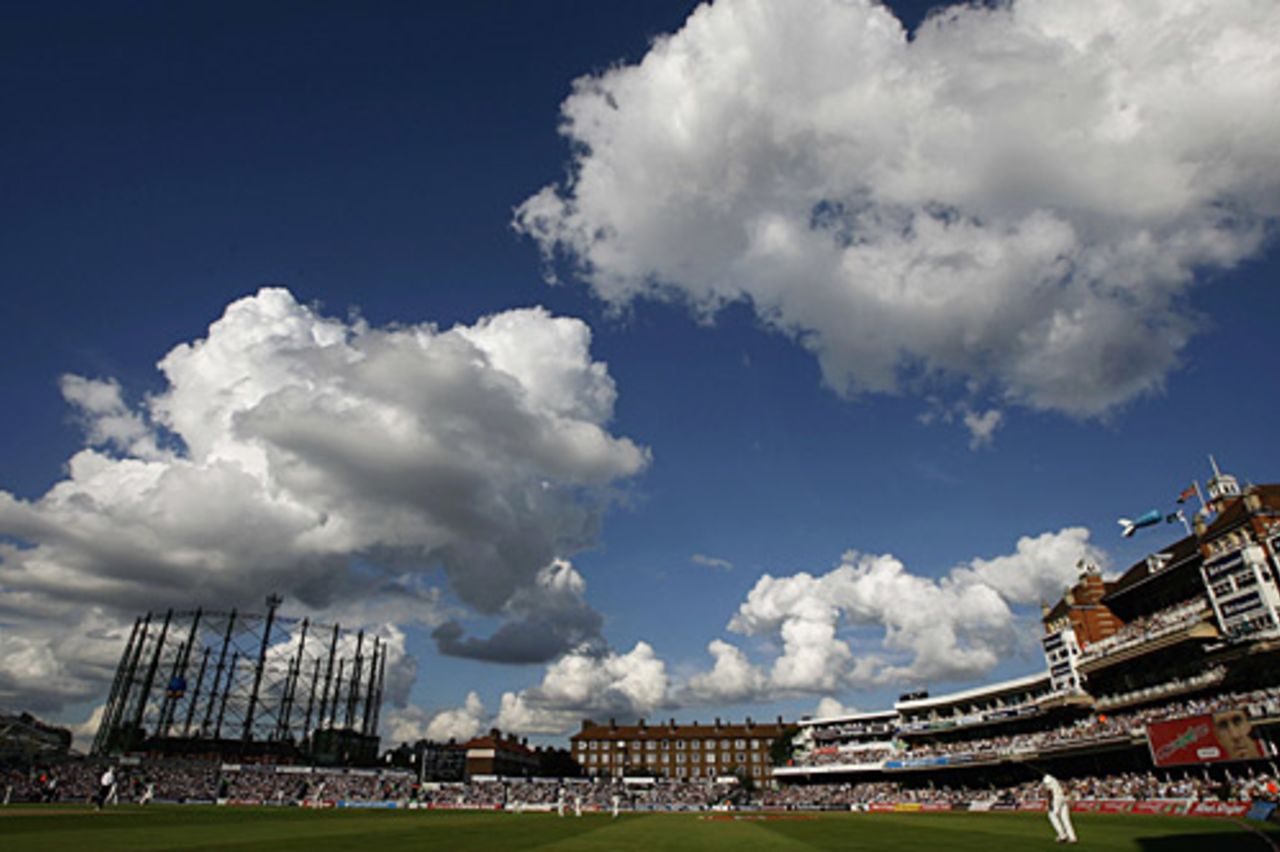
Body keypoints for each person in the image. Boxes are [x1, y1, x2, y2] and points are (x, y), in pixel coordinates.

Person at [1043, 773, 1077, 844]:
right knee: (1066, 819)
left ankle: (1062, 835)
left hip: (1056, 798)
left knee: (1052, 815)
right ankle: (1072, 837)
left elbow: (1049, 792)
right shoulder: (1055, 780)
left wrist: (1049, 804)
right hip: (1063, 798)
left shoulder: (1047, 779)